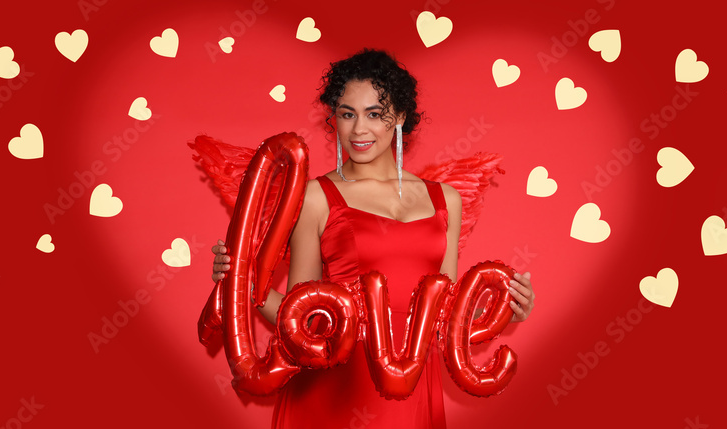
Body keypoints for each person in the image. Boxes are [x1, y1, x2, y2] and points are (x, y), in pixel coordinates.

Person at [206, 48, 534, 429]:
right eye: (347, 114)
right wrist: (243, 283)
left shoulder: (446, 200)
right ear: (335, 120)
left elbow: (444, 317)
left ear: (400, 118)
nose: (358, 130)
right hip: (334, 391)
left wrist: (505, 308)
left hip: (411, 389)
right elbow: (297, 316)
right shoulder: (314, 196)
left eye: (374, 114)